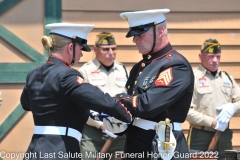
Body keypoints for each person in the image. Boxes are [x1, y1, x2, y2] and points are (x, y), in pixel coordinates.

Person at [20, 23, 132, 160]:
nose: (81, 54)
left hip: (34, 151)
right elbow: (102, 100)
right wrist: (127, 116)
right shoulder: (68, 76)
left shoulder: (34, 73)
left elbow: (26, 104)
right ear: (71, 47)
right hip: (61, 151)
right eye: (80, 48)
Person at [104, 9, 194, 160]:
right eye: (134, 35)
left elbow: (148, 105)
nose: (135, 40)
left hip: (162, 147)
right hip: (137, 144)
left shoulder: (176, 66)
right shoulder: (139, 67)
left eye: (140, 34)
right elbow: (133, 110)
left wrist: (116, 100)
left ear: (160, 31)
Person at [186, 38, 240, 160]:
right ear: (200, 56)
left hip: (224, 136)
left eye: (218, 56)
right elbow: (185, 111)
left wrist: (233, 107)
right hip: (200, 135)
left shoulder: (227, 78)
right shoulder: (192, 78)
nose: (215, 60)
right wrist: (212, 122)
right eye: (211, 56)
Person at [79, 32, 128, 160]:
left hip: (119, 133)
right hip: (94, 133)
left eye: (114, 48)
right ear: (95, 49)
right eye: (106, 49)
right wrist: (101, 125)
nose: (111, 53)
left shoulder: (123, 70)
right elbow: (82, 104)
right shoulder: (85, 71)